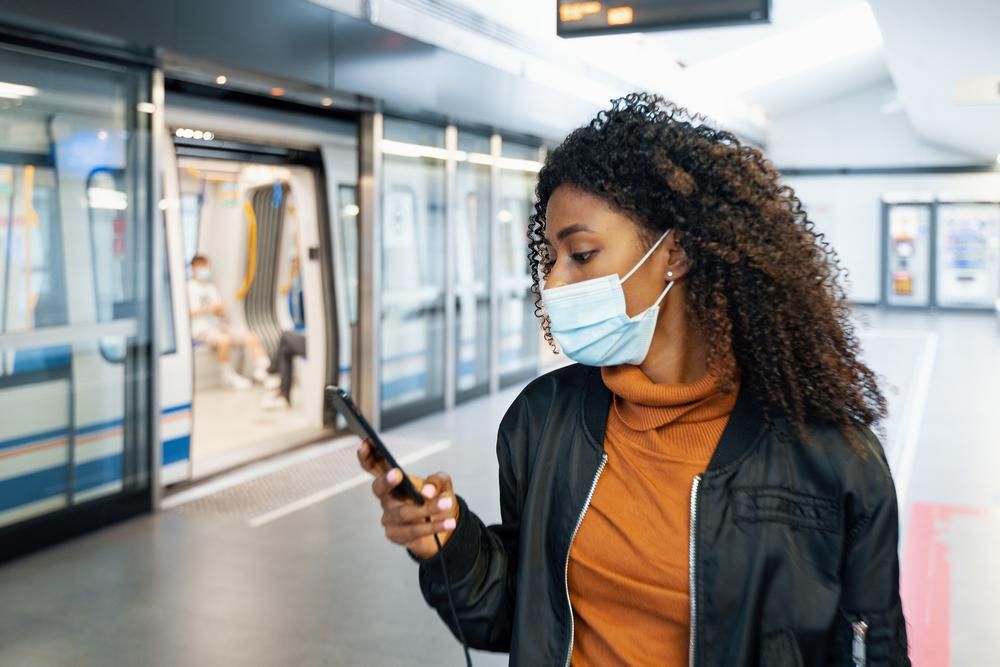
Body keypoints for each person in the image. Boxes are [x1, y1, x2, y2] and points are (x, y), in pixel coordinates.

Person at [357, 94, 910, 666]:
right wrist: (449, 543)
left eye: (581, 254)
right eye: (550, 258)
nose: (554, 281)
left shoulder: (832, 462)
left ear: (675, 253)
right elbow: (521, 615)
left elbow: (874, 649)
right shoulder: (541, 422)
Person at [187, 254, 269, 389]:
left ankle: (262, 371)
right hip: (201, 329)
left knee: (251, 337)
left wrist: (218, 310)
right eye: (201, 266)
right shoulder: (188, 288)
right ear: (193, 268)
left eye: (206, 266)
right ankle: (228, 376)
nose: (204, 269)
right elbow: (187, 313)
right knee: (224, 341)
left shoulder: (210, 287)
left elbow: (221, 310)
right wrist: (208, 309)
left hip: (218, 325)